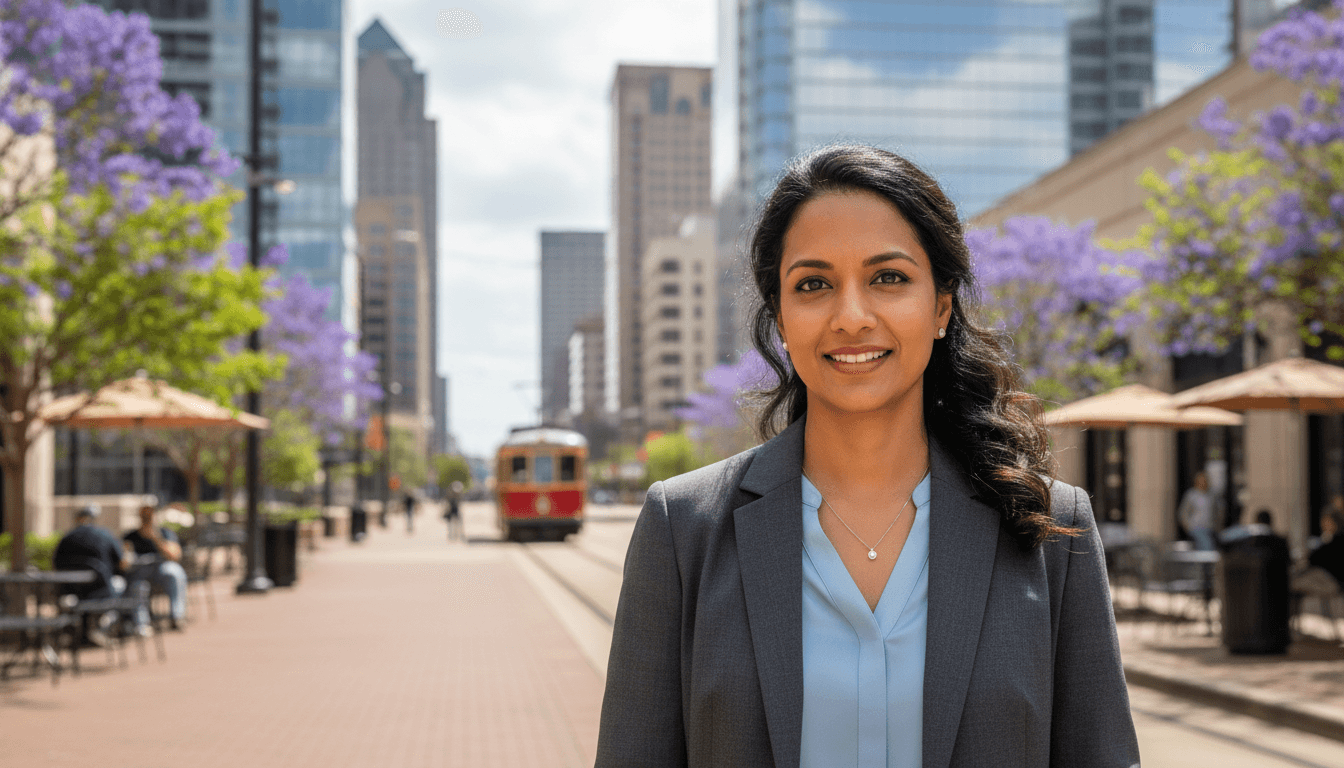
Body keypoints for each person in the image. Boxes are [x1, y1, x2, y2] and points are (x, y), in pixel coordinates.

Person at [596, 145, 1138, 767]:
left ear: (940, 306)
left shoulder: (1050, 530)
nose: (851, 317)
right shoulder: (683, 528)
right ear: (781, 317)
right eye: (814, 284)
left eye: (888, 277)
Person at [123, 503, 189, 630]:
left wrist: (155, 538)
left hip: (161, 571)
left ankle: (177, 616)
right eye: (144, 514)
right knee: (138, 586)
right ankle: (141, 624)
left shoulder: (165, 533)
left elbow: (175, 556)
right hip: (140, 573)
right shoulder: (131, 536)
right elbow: (123, 560)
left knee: (175, 572)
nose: (147, 518)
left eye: (150, 514)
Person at [1177, 471, 1218, 551]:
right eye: (1201, 481)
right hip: (1196, 527)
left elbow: (1216, 512)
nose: (1203, 483)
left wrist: (1216, 525)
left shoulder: (1211, 496)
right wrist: (1188, 526)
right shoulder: (1191, 495)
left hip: (1209, 527)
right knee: (1207, 545)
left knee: (1206, 546)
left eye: (1205, 480)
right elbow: (1183, 512)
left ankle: (1202, 563)